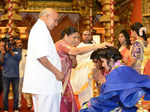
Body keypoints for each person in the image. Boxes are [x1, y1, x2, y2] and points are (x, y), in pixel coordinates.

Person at [80, 47, 150, 112]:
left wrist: (91, 103)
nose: (103, 65)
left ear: (111, 60)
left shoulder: (115, 73)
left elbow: (105, 99)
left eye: (103, 61)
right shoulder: (126, 68)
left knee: (85, 107)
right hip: (129, 107)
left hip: (119, 107)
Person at [55, 27, 108, 112]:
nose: (76, 40)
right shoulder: (61, 44)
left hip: (65, 80)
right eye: (74, 37)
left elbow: (74, 65)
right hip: (56, 80)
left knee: (69, 103)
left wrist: (72, 58)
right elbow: (74, 51)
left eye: (78, 38)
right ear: (65, 36)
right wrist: (97, 46)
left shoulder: (71, 48)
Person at [22, 8, 64, 112]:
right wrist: (57, 72)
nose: (56, 24)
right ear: (46, 16)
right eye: (55, 20)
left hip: (45, 83)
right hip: (46, 83)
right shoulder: (40, 30)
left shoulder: (40, 29)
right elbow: (41, 56)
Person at [70, 30, 96, 108]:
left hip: (92, 73)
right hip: (81, 74)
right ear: (82, 36)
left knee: (92, 93)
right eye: (85, 34)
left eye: (88, 34)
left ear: (91, 36)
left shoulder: (95, 45)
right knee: (83, 95)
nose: (87, 36)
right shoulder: (78, 47)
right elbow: (77, 60)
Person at [0, 37, 22, 112]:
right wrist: (3, 53)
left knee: (16, 93)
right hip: (5, 75)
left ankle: (15, 108)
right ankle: (5, 108)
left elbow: (18, 58)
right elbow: (1, 62)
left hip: (15, 75)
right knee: (5, 93)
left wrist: (10, 51)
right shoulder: (4, 50)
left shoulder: (18, 49)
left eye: (12, 42)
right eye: (9, 43)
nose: (10, 44)